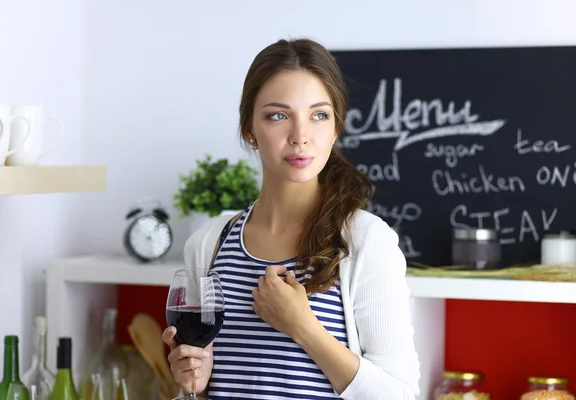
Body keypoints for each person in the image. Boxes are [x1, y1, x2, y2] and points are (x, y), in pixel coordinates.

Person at [162, 37, 420, 399]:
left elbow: (400, 395)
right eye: (278, 115)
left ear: (335, 128)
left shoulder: (365, 243)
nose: (300, 137)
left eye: (318, 115)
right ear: (250, 130)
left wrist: (302, 326)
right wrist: (196, 386)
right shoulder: (208, 244)